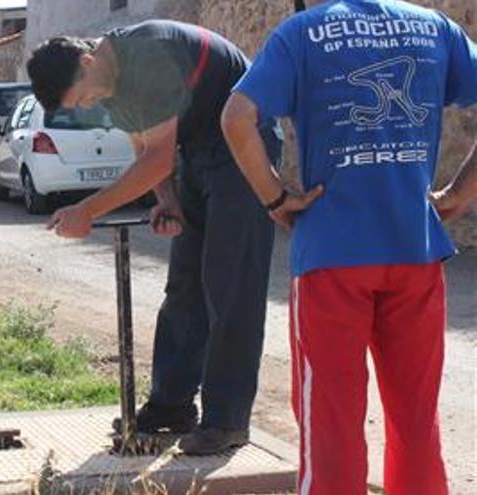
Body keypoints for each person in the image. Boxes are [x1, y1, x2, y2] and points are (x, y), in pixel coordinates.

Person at [221, 0, 477, 492]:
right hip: (415, 250)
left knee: (331, 422)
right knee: (415, 420)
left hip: (330, 256)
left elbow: (236, 117)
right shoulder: (434, 28)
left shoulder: (300, 33)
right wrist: (462, 193)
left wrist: (274, 197)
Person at [26, 20, 283, 455]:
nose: (91, 104)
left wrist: (86, 211)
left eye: (84, 95)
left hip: (244, 139)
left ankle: (227, 420)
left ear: (88, 62)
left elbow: (158, 159)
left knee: (230, 284)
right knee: (185, 284)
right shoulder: (110, 82)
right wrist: (166, 200)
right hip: (198, 148)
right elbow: (147, 151)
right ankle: (172, 406)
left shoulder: (147, 57)